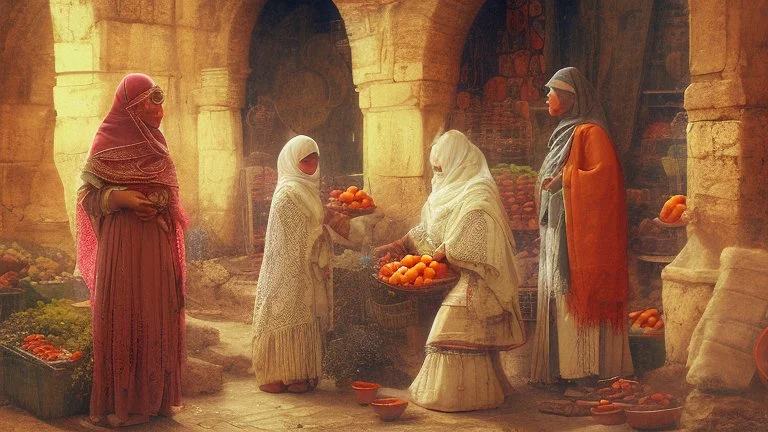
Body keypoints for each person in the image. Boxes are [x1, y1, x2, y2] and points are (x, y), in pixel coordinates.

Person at [375, 130, 526, 412]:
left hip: (479, 277)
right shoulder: (446, 188)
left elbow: (477, 231)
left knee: (447, 330)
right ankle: (482, 393)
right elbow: (431, 228)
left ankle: (456, 397)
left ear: (456, 161)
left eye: (442, 167)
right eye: (436, 168)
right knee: (460, 332)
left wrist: (446, 250)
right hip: (459, 273)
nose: (438, 173)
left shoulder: (479, 190)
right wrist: (402, 244)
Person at [76, 73, 188, 427]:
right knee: (125, 316)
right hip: (122, 247)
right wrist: (119, 198)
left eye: (159, 102)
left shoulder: (158, 144)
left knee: (156, 317)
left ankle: (154, 400)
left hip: (155, 243)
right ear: (131, 106)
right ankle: (125, 405)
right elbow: (87, 198)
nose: (159, 111)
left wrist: (159, 205)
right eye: (151, 103)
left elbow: (171, 194)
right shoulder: (105, 143)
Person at [530, 67, 634, 384]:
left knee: (575, 297)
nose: (547, 96)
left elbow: (604, 181)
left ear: (569, 98)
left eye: (552, 91)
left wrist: (565, 179)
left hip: (578, 235)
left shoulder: (591, 132)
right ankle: (563, 372)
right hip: (558, 230)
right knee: (559, 300)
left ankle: (586, 374)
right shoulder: (565, 131)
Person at [251, 135, 333, 394]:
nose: (310, 165)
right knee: (281, 310)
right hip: (284, 266)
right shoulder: (287, 193)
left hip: (308, 266)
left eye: (314, 160)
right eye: (305, 160)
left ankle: (301, 372)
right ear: (292, 162)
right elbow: (291, 234)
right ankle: (275, 373)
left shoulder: (309, 191)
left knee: (306, 313)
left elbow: (313, 227)